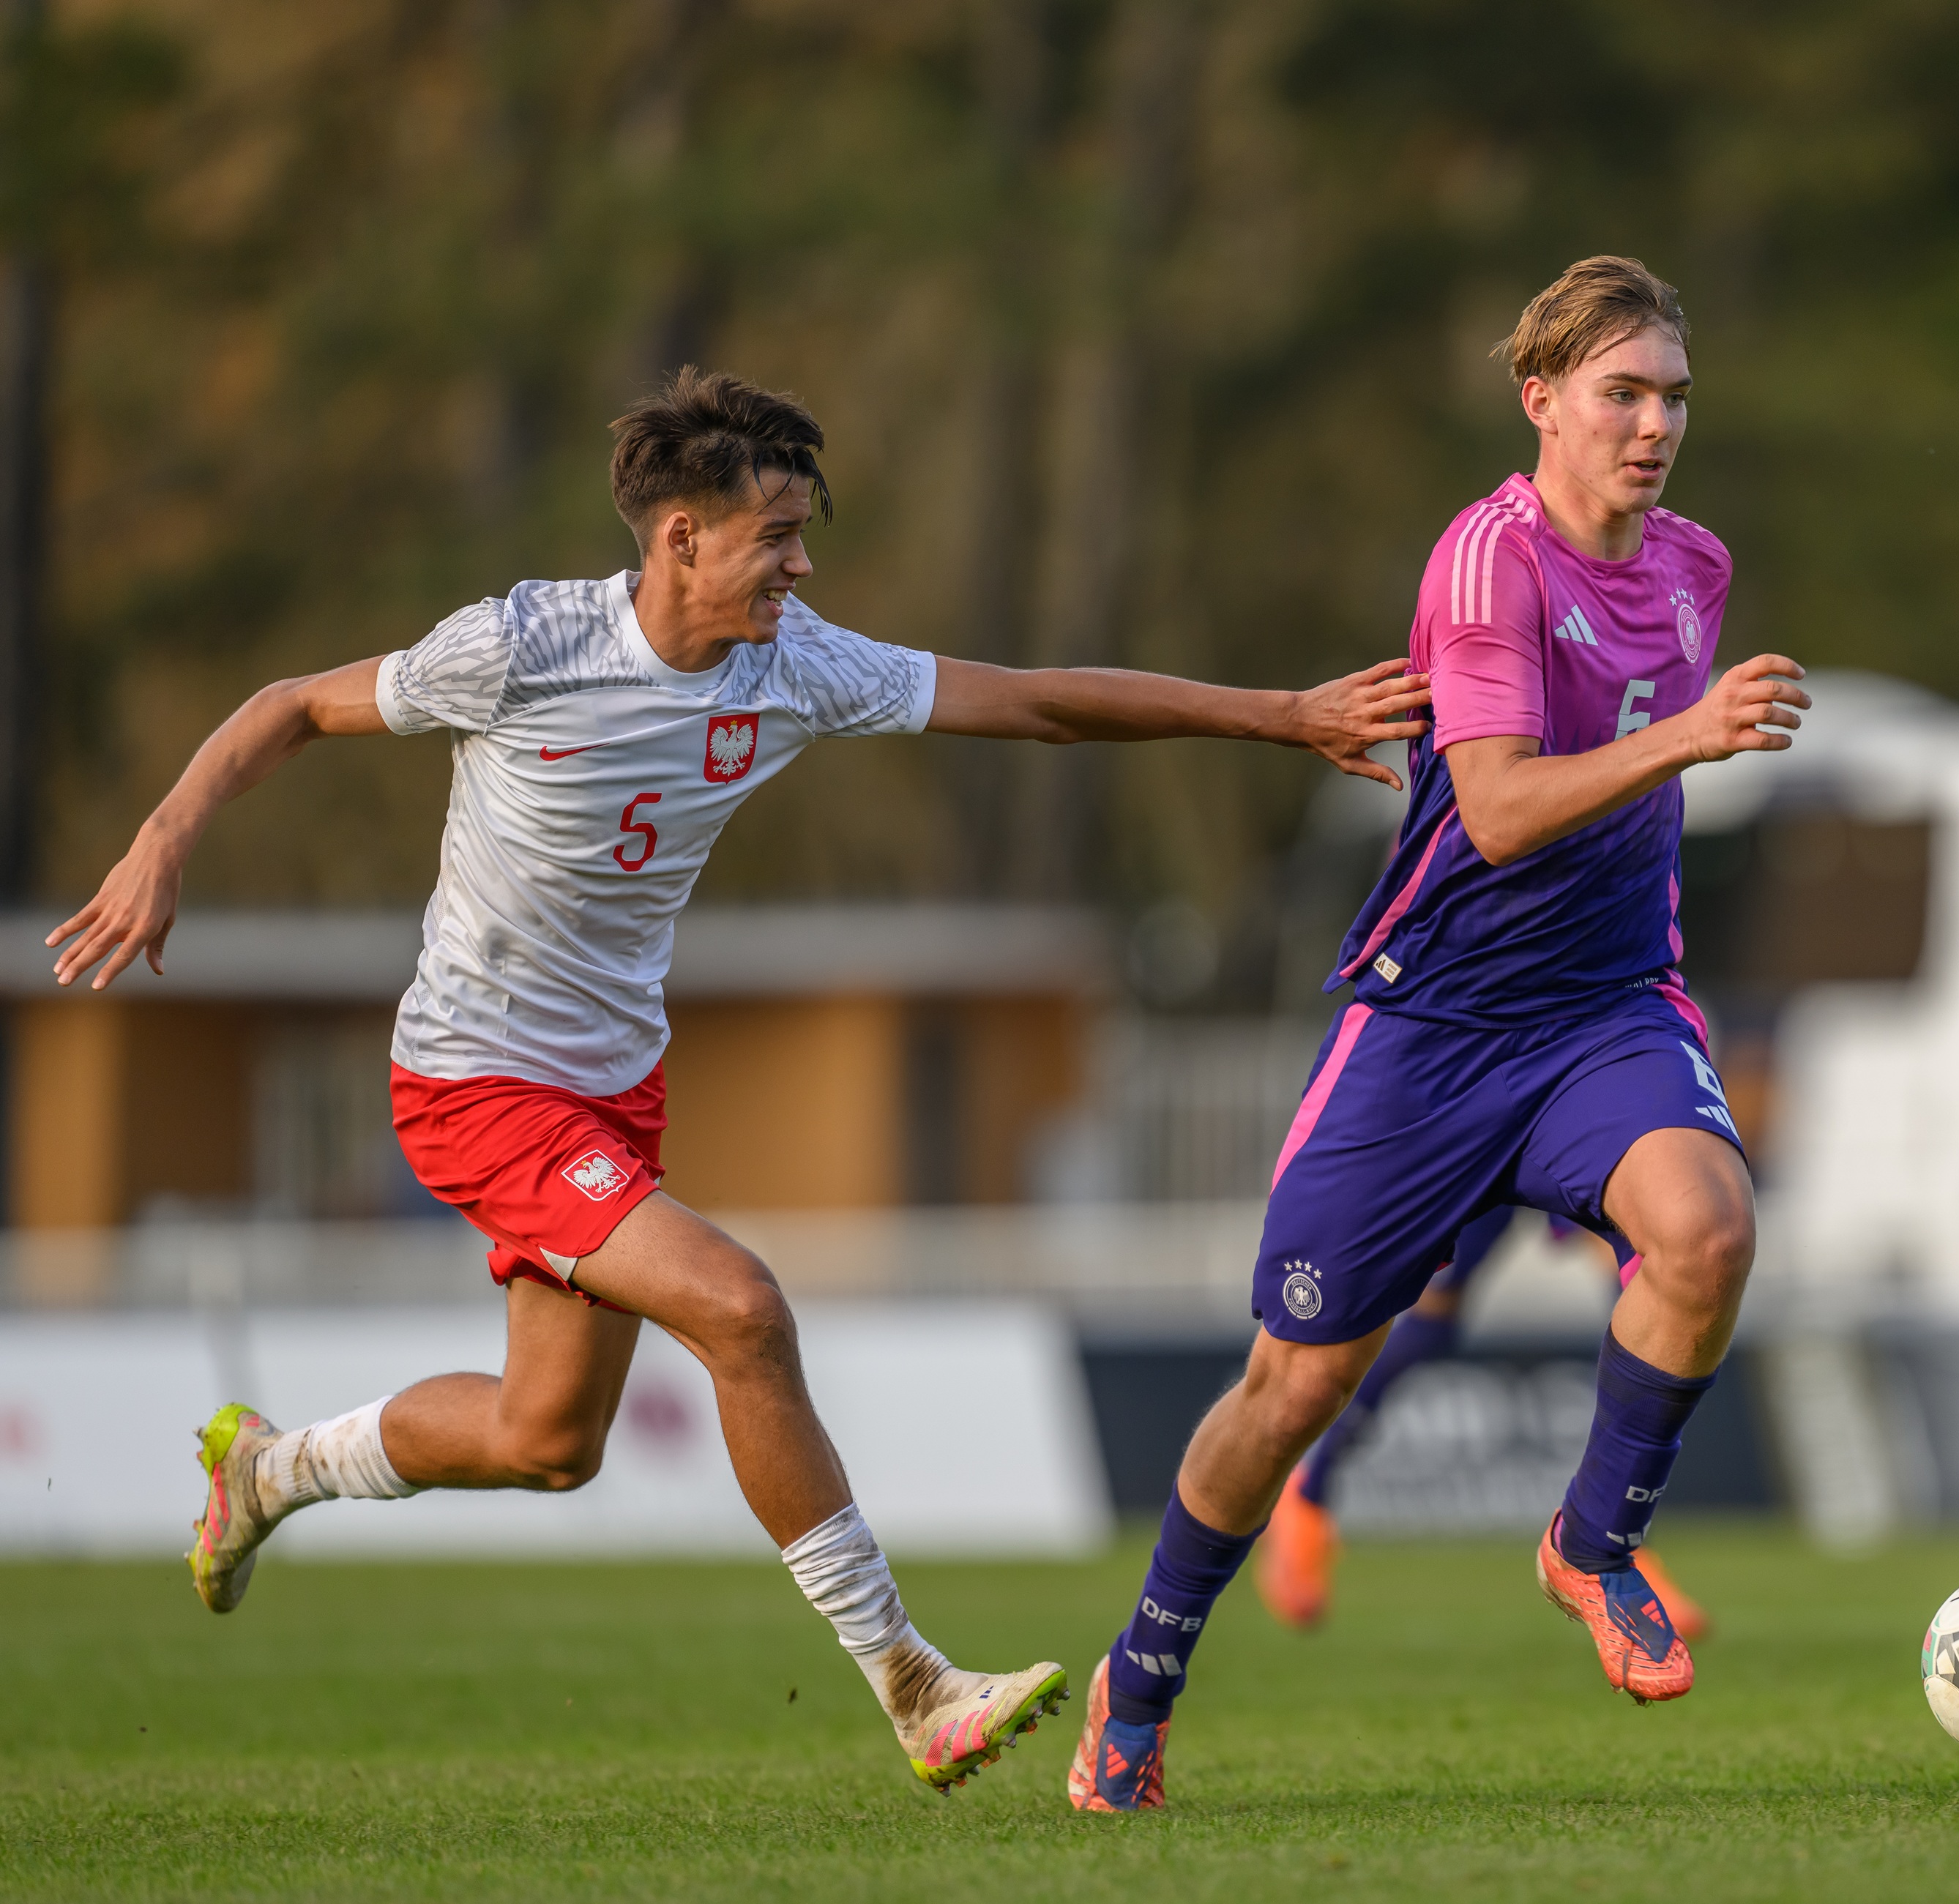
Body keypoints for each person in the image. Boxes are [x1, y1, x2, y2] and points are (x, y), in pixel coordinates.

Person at [45, 367, 1431, 1793]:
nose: (801, 563)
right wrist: (161, 842)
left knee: (547, 1442)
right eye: (775, 535)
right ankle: (912, 1684)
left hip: (612, 1089)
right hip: (477, 1081)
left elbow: (1034, 708)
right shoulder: (520, 645)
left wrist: (1278, 715)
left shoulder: (796, 664)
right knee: (741, 1306)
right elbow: (288, 706)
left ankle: (271, 1469)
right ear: (679, 542)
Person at [1064, 255, 1808, 1812]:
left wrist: (1681, 739)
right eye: (1623, 392)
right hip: (1433, 1028)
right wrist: (1688, 735)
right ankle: (1138, 1685)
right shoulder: (1488, 566)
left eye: (1673, 394)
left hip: (1605, 1007)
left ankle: (1590, 1547)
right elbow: (1496, 806)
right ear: (1539, 400)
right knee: (1289, 1391)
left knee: (1708, 1232)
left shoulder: (1693, 566)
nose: (1654, 423)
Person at [1253, 1204, 1713, 1640]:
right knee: (1433, 1313)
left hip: (1563, 1120)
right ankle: (1308, 1500)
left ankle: (1613, 1548)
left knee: (1631, 1259)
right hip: (1479, 1123)